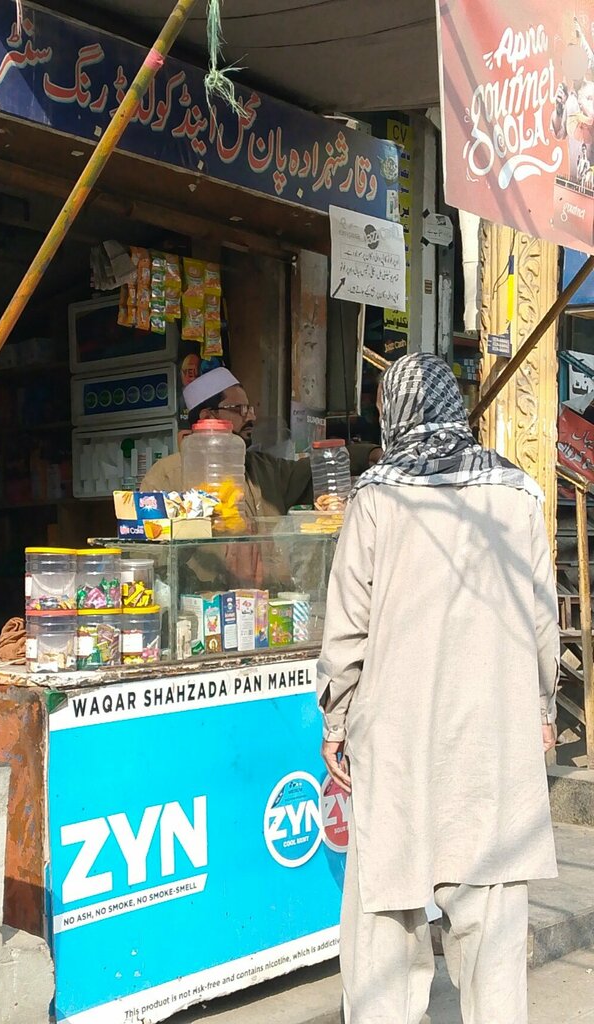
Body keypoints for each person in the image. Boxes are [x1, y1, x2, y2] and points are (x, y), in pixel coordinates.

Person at [317, 353, 558, 1024]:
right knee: (494, 928)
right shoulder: (517, 494)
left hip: (397, 736)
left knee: (384, 920)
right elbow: (544, 619)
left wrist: (336, 721)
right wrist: (542, 710)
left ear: (392, 413)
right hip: (495, 735)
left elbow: (347, 630)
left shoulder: (375, 495)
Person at [141, 366, 378, 515]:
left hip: (267, 593)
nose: (252, 416)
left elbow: (312, 472)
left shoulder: (263, 469)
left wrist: (370, 455)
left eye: (250, 408)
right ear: (208, 416)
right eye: (240, 409)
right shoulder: (166, 475)